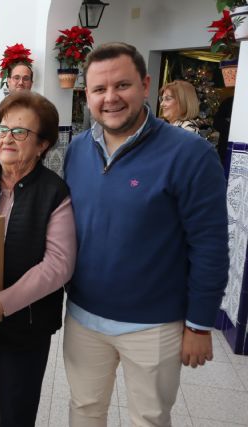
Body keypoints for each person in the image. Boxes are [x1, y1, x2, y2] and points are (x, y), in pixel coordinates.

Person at [63, 42, 229, 426]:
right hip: (84, 319)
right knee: (84, 410)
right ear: (86, 95)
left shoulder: (189, 154)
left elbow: (210, 244)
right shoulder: (76, 151)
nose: (110, 98)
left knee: (149, 419)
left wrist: (200, 323)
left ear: (145, 84)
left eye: (122, 85)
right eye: (98, 89)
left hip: (155, 325)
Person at [0, 91, 76, 427]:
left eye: (20, 132)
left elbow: (59, 264)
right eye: (4, 129)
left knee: (17, 413)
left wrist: (3, 304)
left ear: (42, 145)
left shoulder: (54, 192)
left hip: (26, 328)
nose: (7, 138)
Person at [0, 44, 33, 163]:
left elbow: (50, 141)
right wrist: (8, 138)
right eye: (16, 78)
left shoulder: (38, 112)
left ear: (31, 83)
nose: (21, 82)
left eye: (25, 78)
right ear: (8, 81)